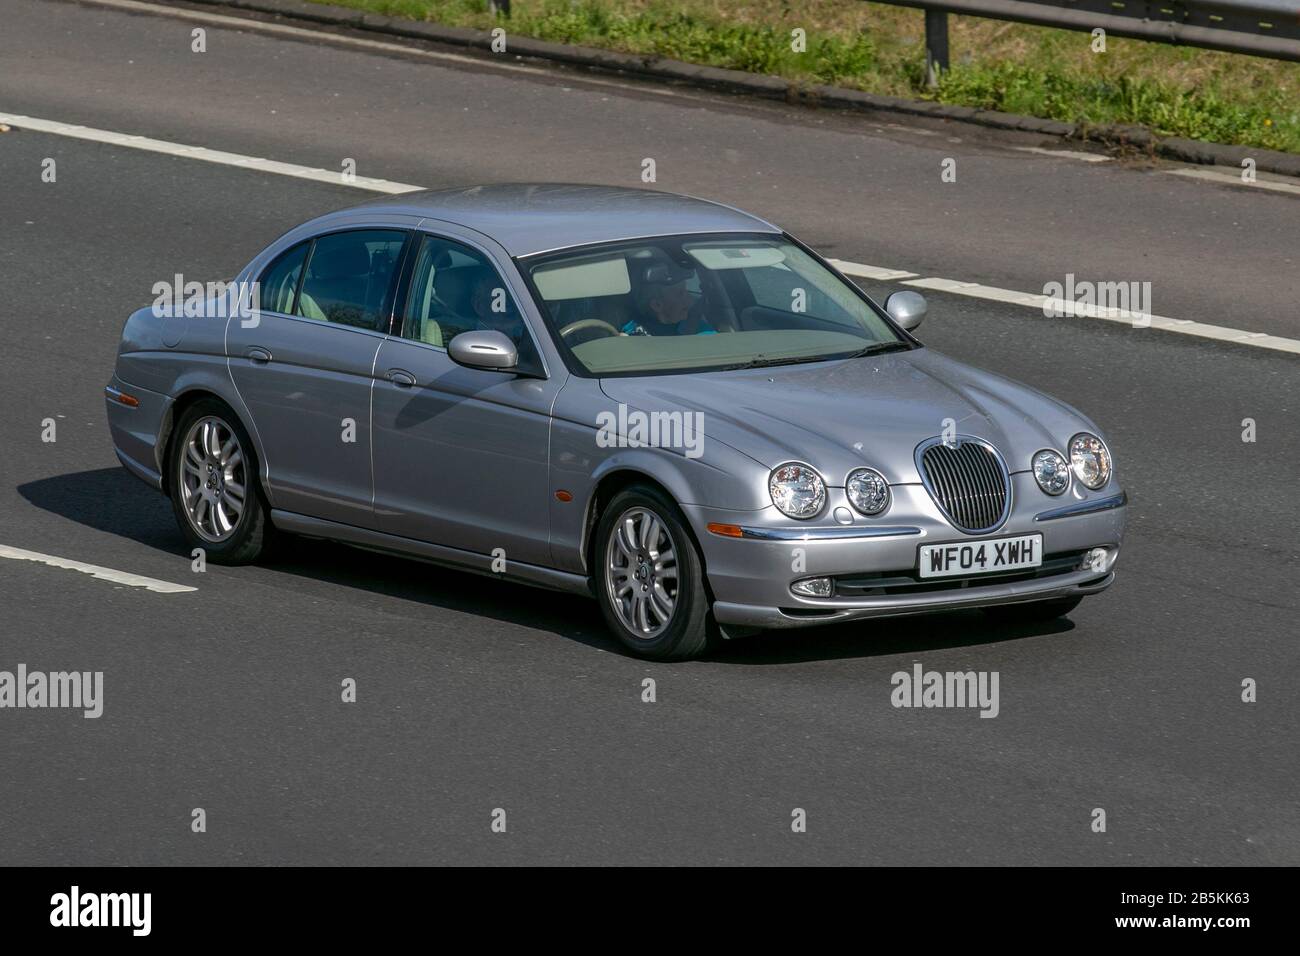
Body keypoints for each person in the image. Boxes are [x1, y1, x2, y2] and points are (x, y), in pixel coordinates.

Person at [621, 263, 716, 336]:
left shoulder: (700, 329)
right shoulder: (631, 333)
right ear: (657, 305)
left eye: (686, 291)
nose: (689, 299)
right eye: (680, 294)